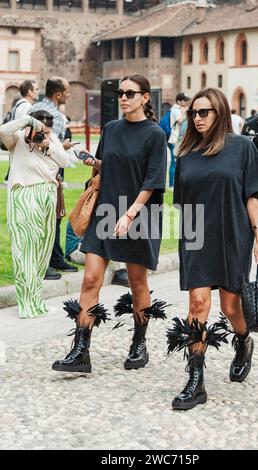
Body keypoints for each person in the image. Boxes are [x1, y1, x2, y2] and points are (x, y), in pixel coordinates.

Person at [52, 74, 168, 373]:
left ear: (145, 97)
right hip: (106, 211)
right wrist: (95, 163)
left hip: (139, 214)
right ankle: (80, 351)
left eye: (131, 93)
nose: (124, 98)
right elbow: (109, 164)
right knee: (91, 278)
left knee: (137, 282)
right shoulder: (111, 129)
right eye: (121, 93)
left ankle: (139, 343)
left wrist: (130, 214)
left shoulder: (155, 134)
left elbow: (153, 181)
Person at [167, 88, 258, 410]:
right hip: (196, 235)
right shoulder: (186, 154)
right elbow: (180, 202)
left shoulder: (243, 148)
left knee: (230, 307)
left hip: (233, 235)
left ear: (220, 112)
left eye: (204, 112)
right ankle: (196, 380)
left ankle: (243, 340)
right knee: (197, 302)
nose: (197, 118)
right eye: (194, 113)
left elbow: (252, 195)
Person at [0, 110, 70, 318]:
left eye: (46, 130)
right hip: (24, 197)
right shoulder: (17, 139)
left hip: (47, 199)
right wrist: (28, 122)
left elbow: (65, 161)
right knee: (24, 251)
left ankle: (36, 300)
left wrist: (47, 143)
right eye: (39, 130)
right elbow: (2, 129)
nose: (42, 134)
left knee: (42, 252)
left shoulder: (52, 140)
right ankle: (26, 304)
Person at [29, 77, 78, 280]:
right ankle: (47, 261)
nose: (69, 94)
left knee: (50, 217)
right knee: (51, 217)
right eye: (67, 91)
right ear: (58, 94)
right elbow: (49, 147)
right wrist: (63, 148)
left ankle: (55, 257)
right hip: (49, 172)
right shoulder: (56, 116)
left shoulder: (35, 106)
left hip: (32, 169)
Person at [65, 221, 130, 287]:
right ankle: (120, 272)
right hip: (76, 251)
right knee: (112, 237)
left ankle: (126, 269)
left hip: (88, 248)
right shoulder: (85, 214)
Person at [3, 80, 39, 183]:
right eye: (36, 89)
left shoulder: (18, 104)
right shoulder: (26, 107)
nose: (38, 91)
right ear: (30, 92)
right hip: (21, 149)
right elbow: (25, 131)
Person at [168, 93, 190, 187]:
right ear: (179, 101)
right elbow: (180, 121)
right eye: (184, 100)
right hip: (174, 139)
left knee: (176, 162)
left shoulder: (177, 109)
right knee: (174, 162)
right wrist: (186, 113)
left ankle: (173, 183)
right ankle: (172, 184)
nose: (186, 102)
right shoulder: (176, 110)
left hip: (176, 139)